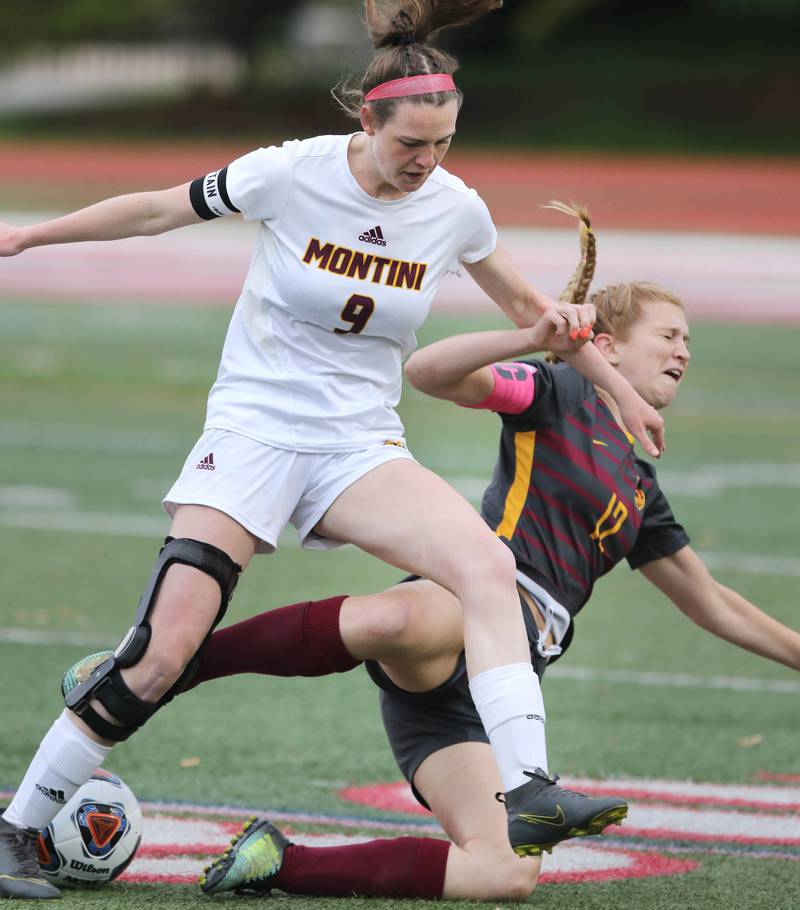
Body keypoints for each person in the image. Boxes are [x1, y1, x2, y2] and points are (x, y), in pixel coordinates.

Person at [0, 1, 665, 900]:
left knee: (483, 566)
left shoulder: (453, 208)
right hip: (254, 432)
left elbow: (533, 316)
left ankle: (530, 788)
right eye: (410, 145)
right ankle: (18, 830)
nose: (426, 162)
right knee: (160, 653)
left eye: (444, 144)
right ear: (368, 120)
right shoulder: (290, 173)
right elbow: (159, 209)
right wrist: (30, 233)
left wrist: (620, 390)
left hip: (358, 444)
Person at [94, 206, 797, 902]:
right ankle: (172, 664)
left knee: (505, 873)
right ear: (606, 347)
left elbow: (712, 605)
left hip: (481, 699)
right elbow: (429, 370)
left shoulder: (642, 488)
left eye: (689, 342)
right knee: (406, 620)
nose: (684, 351)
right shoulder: (560, 392)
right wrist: (526, 335)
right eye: (670, 335)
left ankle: (280, 861)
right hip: (476, 606)